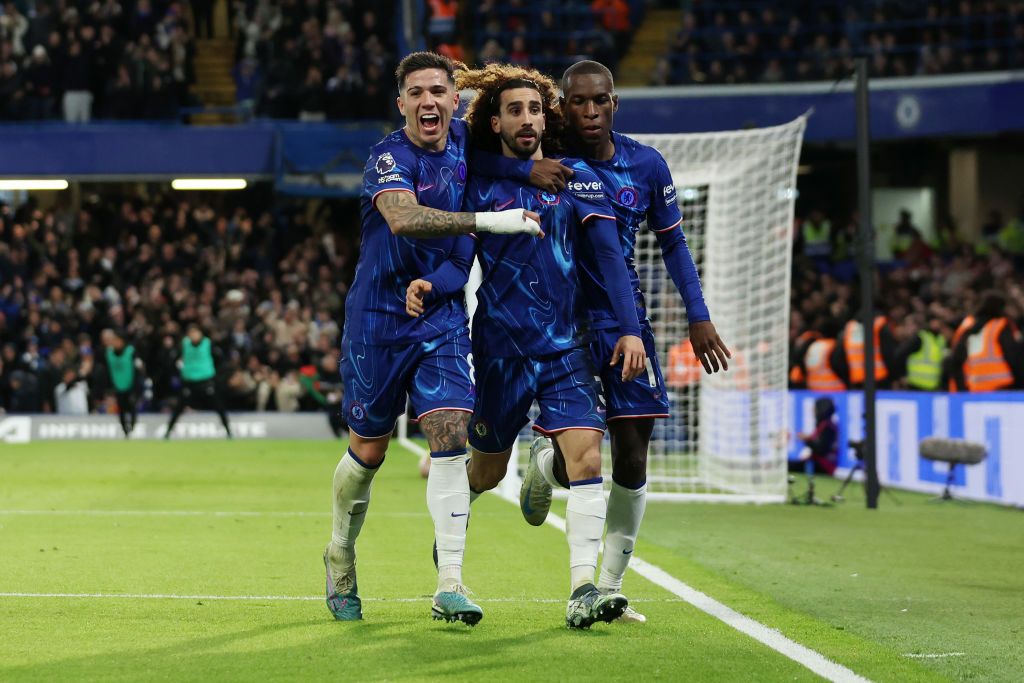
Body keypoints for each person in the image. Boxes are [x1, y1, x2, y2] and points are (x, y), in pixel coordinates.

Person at [326, 51, 571, 626]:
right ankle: (340, 551)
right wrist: (492, 220)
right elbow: (405, 219)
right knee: (369, 452)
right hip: (377, 320)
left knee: (450, 432)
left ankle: (450, 583)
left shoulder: (465, 144)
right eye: (417, 93)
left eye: (439, 91)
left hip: (440, 316)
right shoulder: (389, 156)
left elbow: (465, 246)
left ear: (455, 99)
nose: (429, 101)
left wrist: (525, 171)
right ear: (402, 103)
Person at [408, 63, 646, 629]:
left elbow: (611, 258)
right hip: (498, 352)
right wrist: (433, 285)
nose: (527, 118)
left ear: (547, 117)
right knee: (486, 473)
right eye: (514, 109)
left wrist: (630, 325)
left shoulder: (577, 177)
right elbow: (460, 262)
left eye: (535, 109)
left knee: (589, 456)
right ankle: (451, 542)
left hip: (565, 350)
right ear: (496, 120)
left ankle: (583, 588)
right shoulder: (480, 184)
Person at [507, 60, 731, 624]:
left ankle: (608, 587)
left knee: (633, 454)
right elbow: (480, 163)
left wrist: (698, 316)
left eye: (599, 101)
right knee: (584, 454)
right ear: (563, 106)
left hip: (626, 319)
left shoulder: (646, 165)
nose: (589, 111)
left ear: (614, 103)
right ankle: (549, 462)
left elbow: (675, 247)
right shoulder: (552, 157)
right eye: (578, 102)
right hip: (566, 320)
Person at [164, 324, 232, 439]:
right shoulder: (184, 345)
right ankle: (167, 433)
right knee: (179, 408)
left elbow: (221, 360)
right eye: (191, 333)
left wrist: (217, 377)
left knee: (219, 406)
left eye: (195, 333)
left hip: (206, 381)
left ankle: (229, 432)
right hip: (190, 382)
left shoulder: (208, 344)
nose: (193, 335)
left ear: (201, 334)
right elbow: (172, 360)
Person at [949, 290, 1024, 392]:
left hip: (974, 387)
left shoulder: (967, 325)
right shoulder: (1000, 325)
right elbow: (1013, 357)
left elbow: (956, 360)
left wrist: (961, 389)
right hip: (1002, 386)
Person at [104, 329, 143, 438]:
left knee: (132, 407)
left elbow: (138, 369)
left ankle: (132, 429)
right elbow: (107, 371)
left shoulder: (130, 351)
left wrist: (137, 386)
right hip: (117, 386)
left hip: (130, 386)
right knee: (121, 409)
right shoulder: (109, 353)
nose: (115, 343)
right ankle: (126, 432)